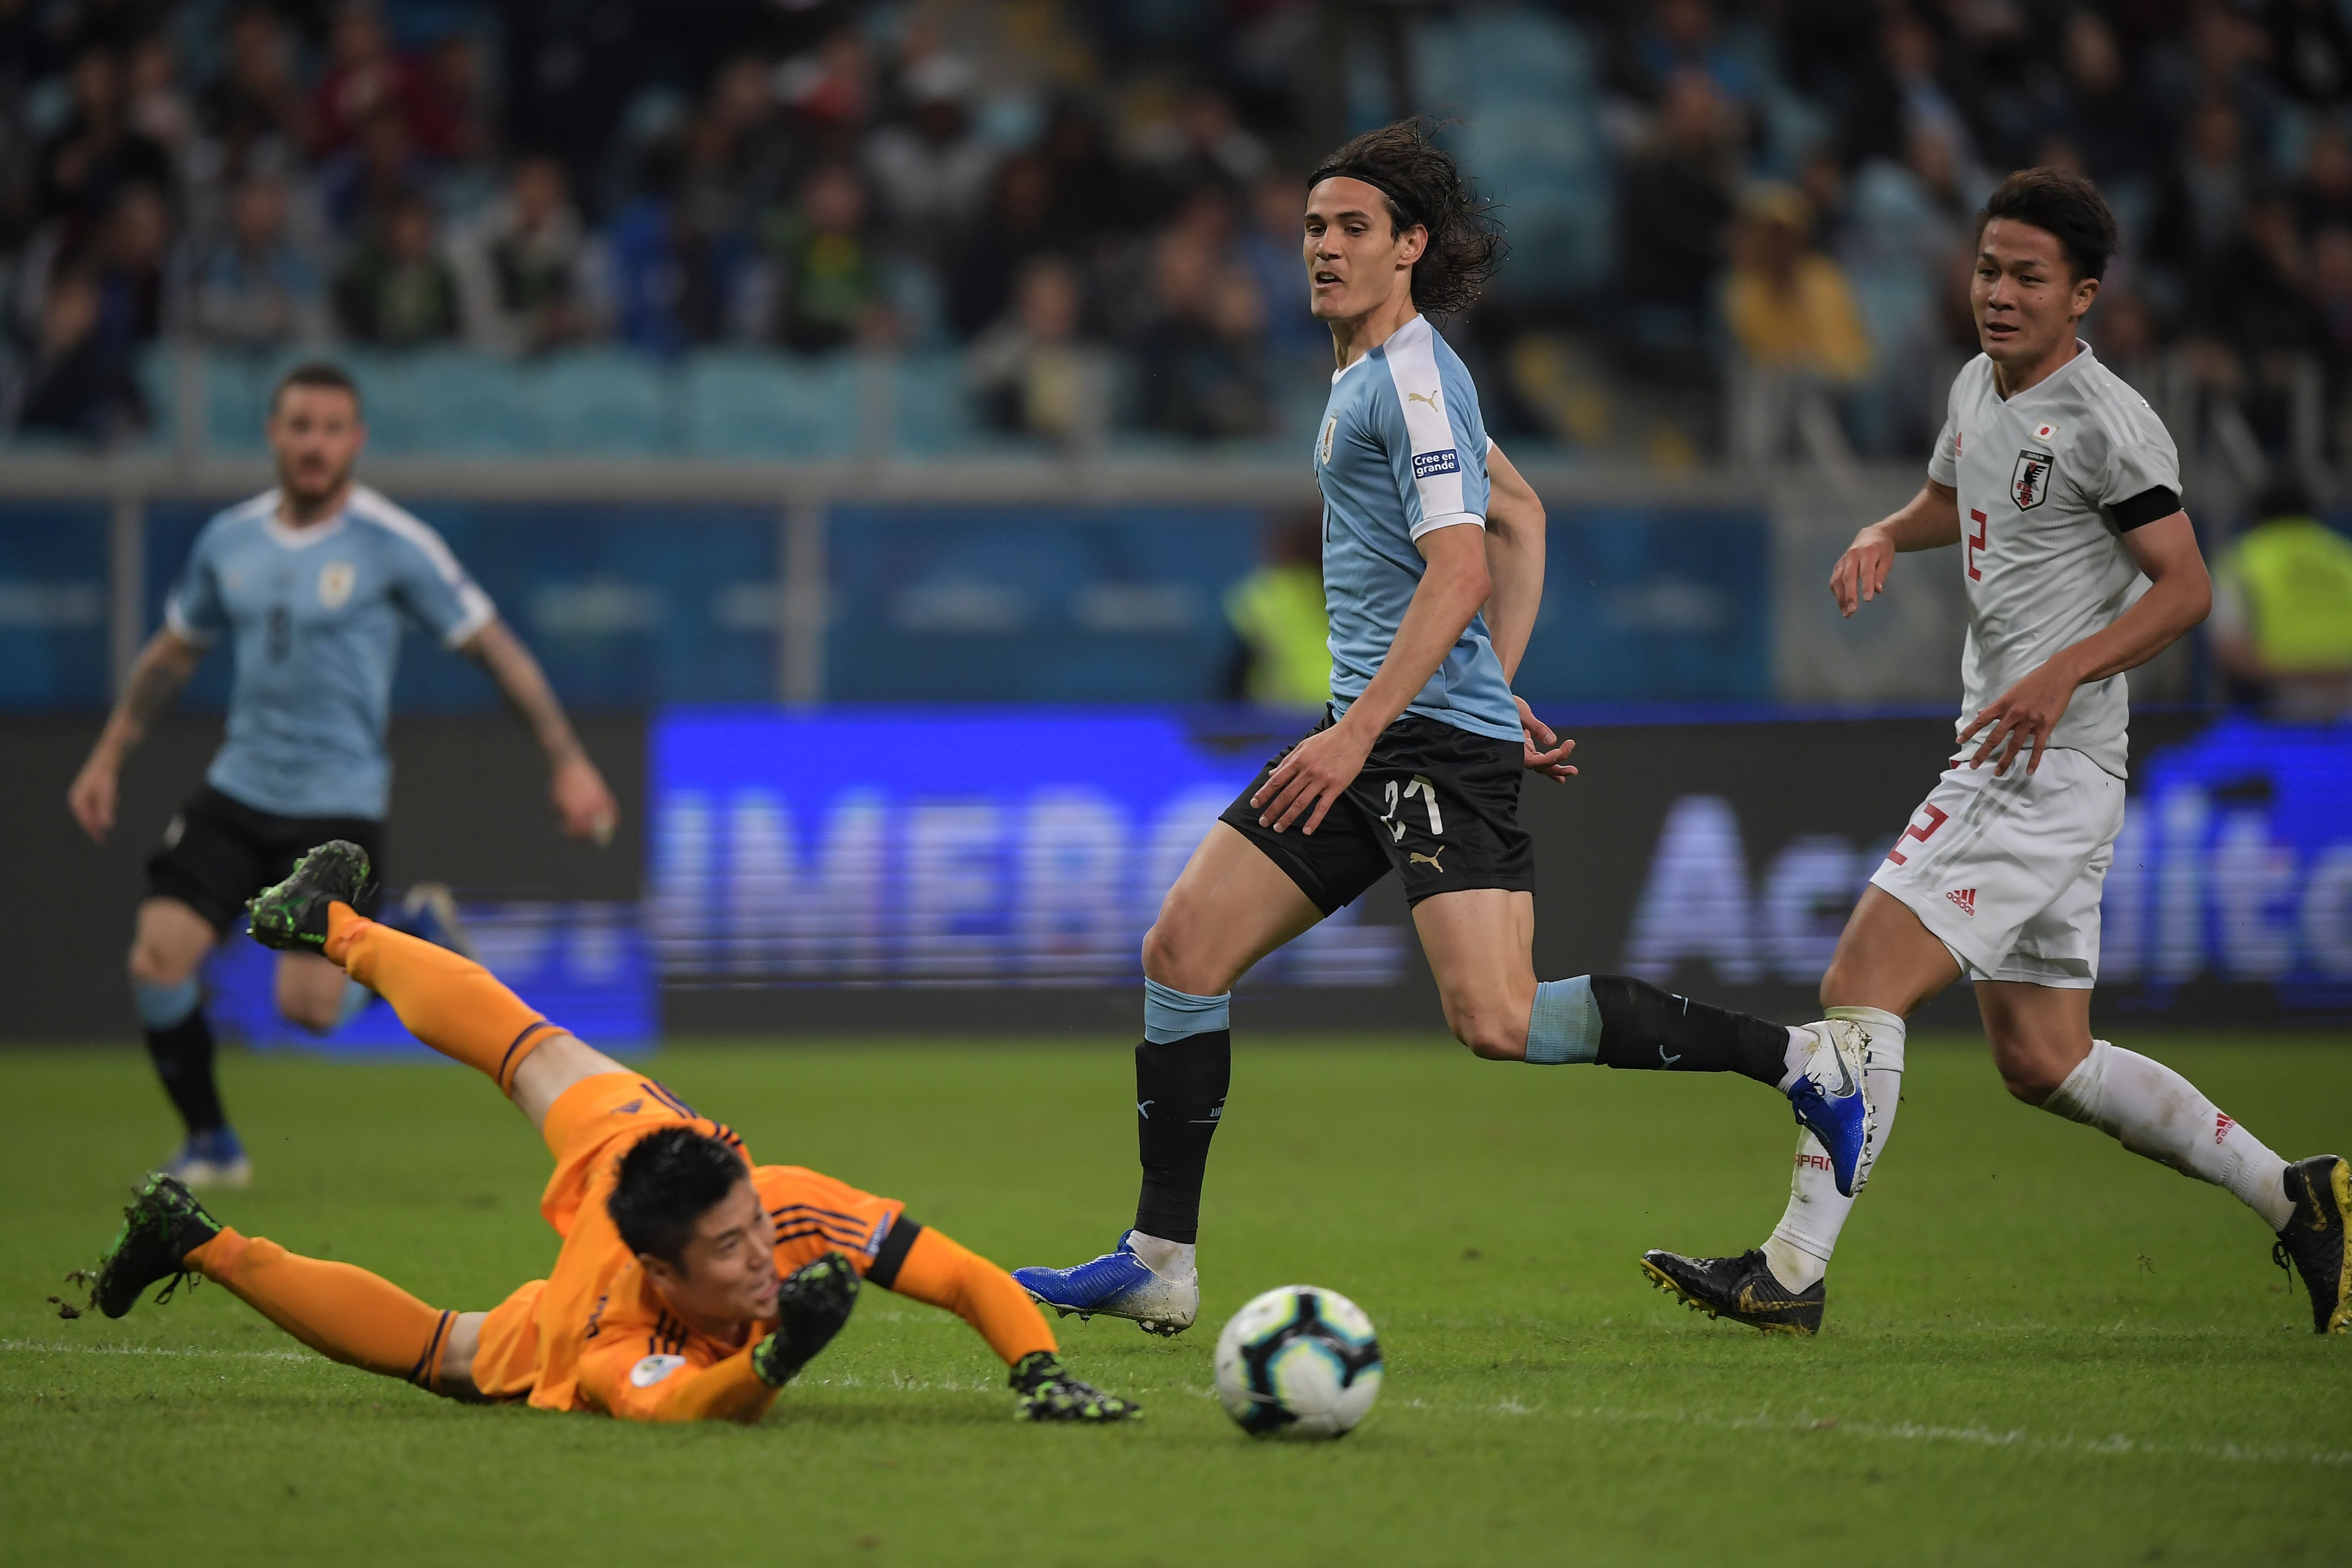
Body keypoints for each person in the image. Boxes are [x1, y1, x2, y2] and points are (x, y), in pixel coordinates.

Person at [1011, 120, 1874, 1336]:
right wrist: (1486, 682)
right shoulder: (1375, 372)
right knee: (1183, 951)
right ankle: (1160, 1255)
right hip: (1398, 727)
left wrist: (1386, 722)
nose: (1324, 248)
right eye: (1313, 227)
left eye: (1353, 228)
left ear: (1410, 246)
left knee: (1498, 1019)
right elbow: (1522, 514)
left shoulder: (1413, 378)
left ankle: (1803, 1064)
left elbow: (1462, 564)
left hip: (1400, 743)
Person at [1641, 168, 2351, 1338]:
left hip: (2036, 760)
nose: (1998, 294)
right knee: (2042, 1058)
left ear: (2082, 296)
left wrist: (2067, 666)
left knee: (1858, 984)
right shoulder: (1977, 386)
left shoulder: (2108, 423)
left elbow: (2183, 589)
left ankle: (1790, 1271)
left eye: (2027, 277)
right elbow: (1953, 497)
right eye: (1985, 269)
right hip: (2034, 761)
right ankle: (2295, 1198)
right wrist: (1883, 530)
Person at [71, 842, 1136, 1425]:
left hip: (638, 1141)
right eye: (728, 1253)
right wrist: (776, 1354)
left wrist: (1036, 1370)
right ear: (662, 1275)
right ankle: (202, 1243)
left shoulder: (771, 1202)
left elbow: (960, 1276)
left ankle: (332, 927)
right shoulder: (609, 1343)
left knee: (526, 1050)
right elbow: (688, 1410)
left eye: (750, 1228)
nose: (761, 1254)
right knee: (446, 1353)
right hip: (585, 1296)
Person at [64, 362, 621, 1189]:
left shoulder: (394, 544)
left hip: (337, 805)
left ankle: (424, 939)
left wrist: (568, 759)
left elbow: (492, 645)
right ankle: (213, 1143)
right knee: (157, 956)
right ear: (273, 434)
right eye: (300, 426)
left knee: (309, 1009)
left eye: (331, 428)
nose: (315, 443)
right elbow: (173, 654)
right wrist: (109, 755)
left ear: (356, 440)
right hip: (238, 787)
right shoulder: (230, 540)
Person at [2211, 480, 2352, 721]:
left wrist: (2306, 675)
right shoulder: (2343, 556)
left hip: (2279, 708)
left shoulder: (2243, 561)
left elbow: (2231, 650)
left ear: (2256, 517)